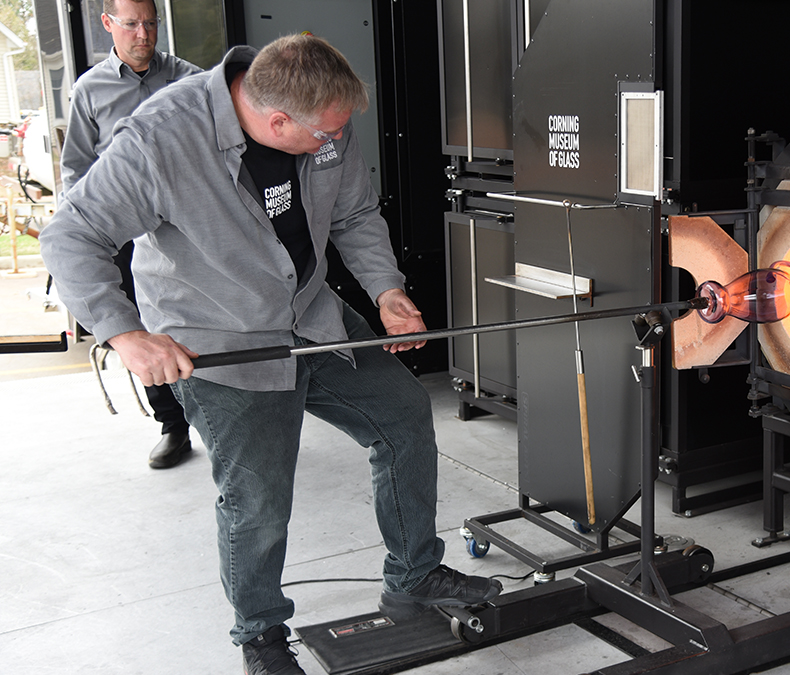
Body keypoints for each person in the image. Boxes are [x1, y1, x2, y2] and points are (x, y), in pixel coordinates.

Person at [42, 34, 501, 675]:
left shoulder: (323, 118)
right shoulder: (160, 139)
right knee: (257, 496)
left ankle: (414, 575)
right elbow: (70, 235)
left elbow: (355, 212)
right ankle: (259, 634)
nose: (333, 143)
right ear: (276, 120)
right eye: (323, 136)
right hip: (218, 337)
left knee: (401, 417)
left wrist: (386, 289)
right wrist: (125, 333)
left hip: (312, 316)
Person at [61, 0, 203, 469]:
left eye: (150, 23)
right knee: (140, 327)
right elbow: (77, 170)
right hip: (124, 231)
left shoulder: (191, 79)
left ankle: (216, 416)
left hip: (185, 229)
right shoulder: (90, 89)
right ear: (107, 24)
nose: (143, 34)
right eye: (131, 24)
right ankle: (173, 426)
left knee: (195, 317)